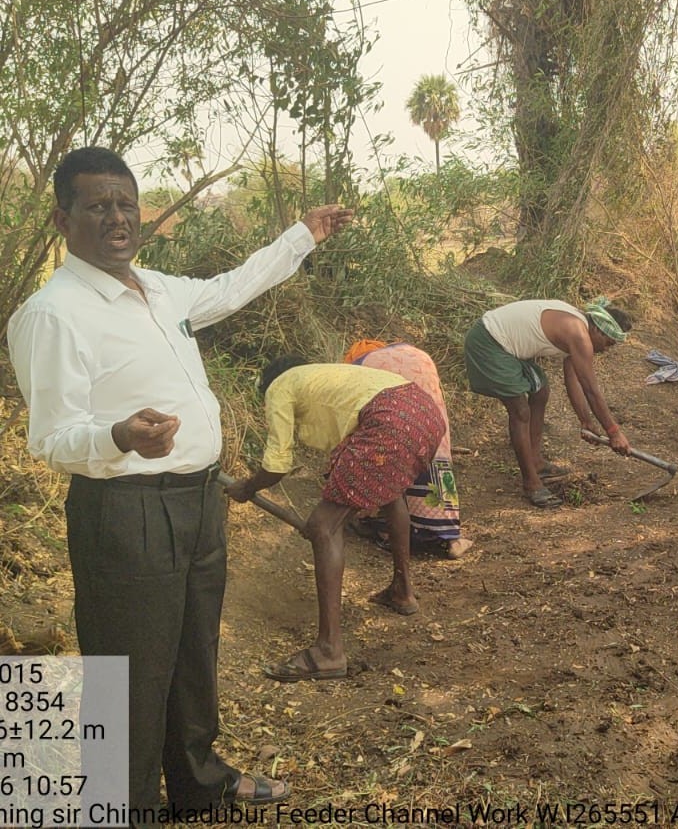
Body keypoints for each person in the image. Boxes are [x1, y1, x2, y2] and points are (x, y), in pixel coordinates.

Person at [6, 146, 353, 813]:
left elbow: (233, 285)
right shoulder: (54, 314)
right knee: (130, 673)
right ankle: (119, 807)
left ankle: (199, 783)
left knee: (194, 653)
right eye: (98, 205)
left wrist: (301, 237)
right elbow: (51, 436)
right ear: (63, 218)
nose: (117, 218)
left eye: (126, 204)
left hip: (197, 500)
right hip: (125, 510)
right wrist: (118, 436)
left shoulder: (160, 289)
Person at [224, 357, 446, 680]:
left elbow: (276, 466)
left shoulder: (278, 387)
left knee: (322, 526)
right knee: (389, 492)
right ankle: (402, 590)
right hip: (423, 412)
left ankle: (328, 650)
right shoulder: (322, 376)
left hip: (389, 420)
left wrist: (247, 487)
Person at [464, 298, 633, 508]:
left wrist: (586, 421)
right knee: (520, 411)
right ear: (599, 330)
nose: (606, 349)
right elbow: (591, 389)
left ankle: (536, 461)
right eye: (608, 343)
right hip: (489, 342)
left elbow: (574, 380)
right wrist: (614, 431)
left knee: (540, 391)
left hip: (508, 347)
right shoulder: (578, 334)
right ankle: (531, 484)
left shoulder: (578, 326)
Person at [344, 339, 472, 560]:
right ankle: (452, 538)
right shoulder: (411, 353)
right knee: (436, 448)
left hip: (393, 421)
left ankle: (387, 531)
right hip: (428, 396)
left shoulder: (358, 368)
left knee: (387, 457)